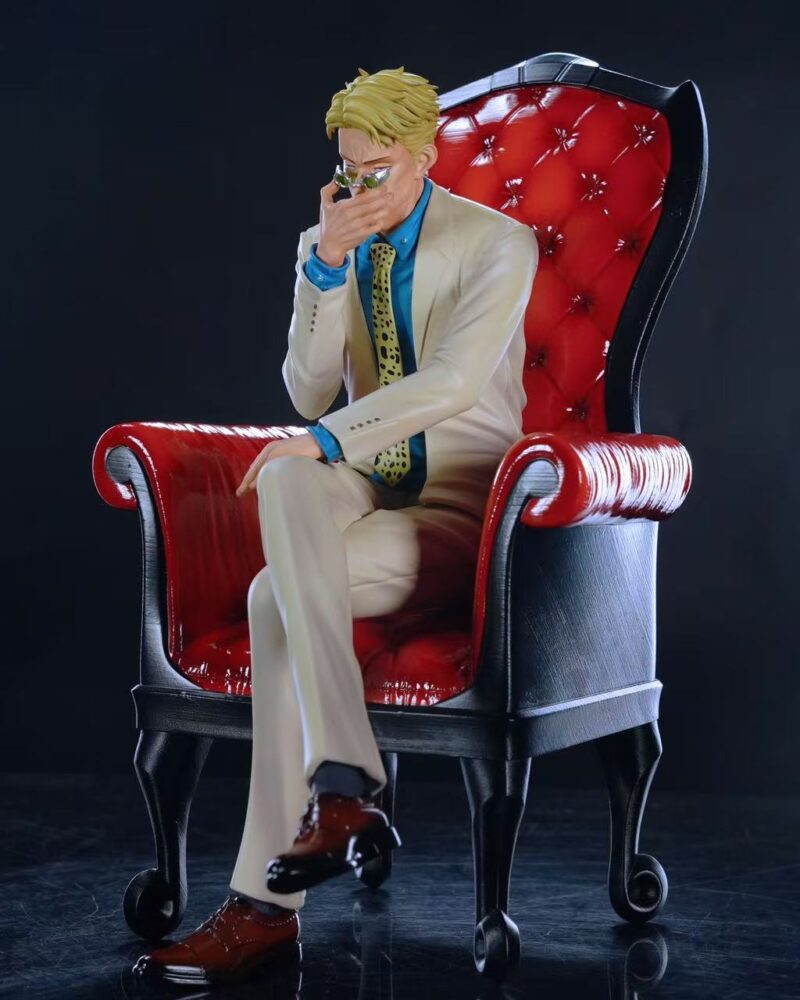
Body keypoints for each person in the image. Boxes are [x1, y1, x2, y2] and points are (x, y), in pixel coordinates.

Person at [134, 64, 539, 987]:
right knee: (286, 476)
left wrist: (320, 440)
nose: (358, 187)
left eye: (377, 169)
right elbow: (307, 392)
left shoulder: (497, 243)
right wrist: (323, 267)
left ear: (426, 156)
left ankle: (265, 903)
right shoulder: (331, 240)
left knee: (271, 598)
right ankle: (343, 788)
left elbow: (453, 384)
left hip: (458, 508)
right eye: (346, 169)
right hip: (364, 488)